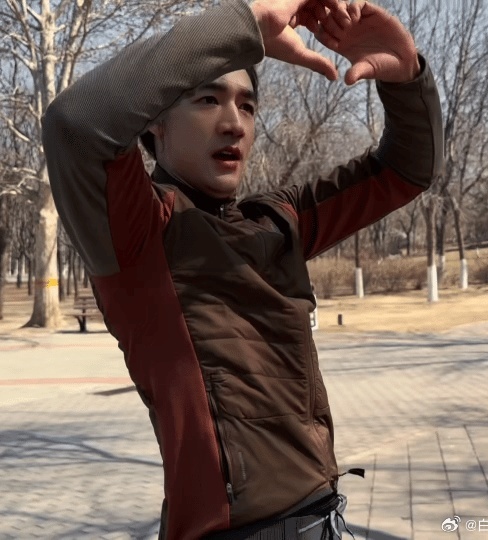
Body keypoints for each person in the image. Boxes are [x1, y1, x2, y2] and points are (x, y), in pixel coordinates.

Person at [42, 0, 443, 538]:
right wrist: (243, 26)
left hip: (323, 518)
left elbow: (407, 171)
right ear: (154, 122)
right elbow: (74, 124)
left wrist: (407, 76)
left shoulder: (280, 219)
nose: (233, 123)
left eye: (248, 106)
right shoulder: (140, 232)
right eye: (208, 99)